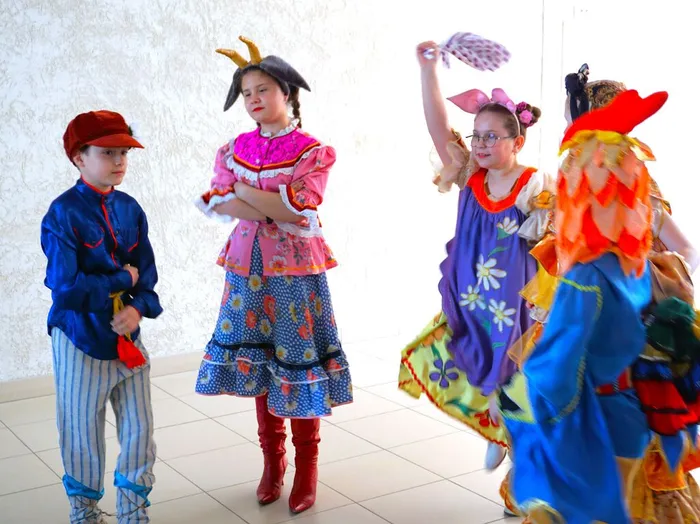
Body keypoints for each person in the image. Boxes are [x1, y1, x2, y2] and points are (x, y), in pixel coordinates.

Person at [193, 36, 353, 515]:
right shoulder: (232, 148)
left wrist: (246, 195)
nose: (254, 99)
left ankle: (307, 469)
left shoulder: (313, 150)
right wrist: (269, 204)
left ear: (287, 91)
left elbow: (301, 206)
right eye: (246, 93)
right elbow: (220, 201)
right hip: (249, 271)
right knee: (263, 364)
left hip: (295, 273)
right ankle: (272, 463)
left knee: (297, 362)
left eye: (263, 89)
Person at [396, 39, 553, 514]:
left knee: (521, 385)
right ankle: (497, 429)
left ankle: (518, 474)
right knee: (474, 367)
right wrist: (428, 71)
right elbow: (437, 126)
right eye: (477, 135)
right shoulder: (469, 175)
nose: (480, 144)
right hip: (471, 300)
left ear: (517, 142)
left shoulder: (534, 184)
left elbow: (556, 242)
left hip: (516, 305)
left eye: (492, 137)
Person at [500, 89, 669, 522]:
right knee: (619, 508)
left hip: (592, 426)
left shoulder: (585, 277)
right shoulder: (635, 268)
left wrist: (516, 399)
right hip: (632, 416)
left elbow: (559, 362)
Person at [41, 110, 162, 523]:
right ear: (79, 157)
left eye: (124, 152)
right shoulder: (62, 213)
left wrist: (137, 307)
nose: (119, 161)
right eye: (107, 152)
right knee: (81, 433)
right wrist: (119, 280)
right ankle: (85, 513)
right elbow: (65, 289)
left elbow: (146, 275)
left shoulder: (130, 209)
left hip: (127, 339)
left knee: (140, 429)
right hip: (80, 338)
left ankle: (133, 511)